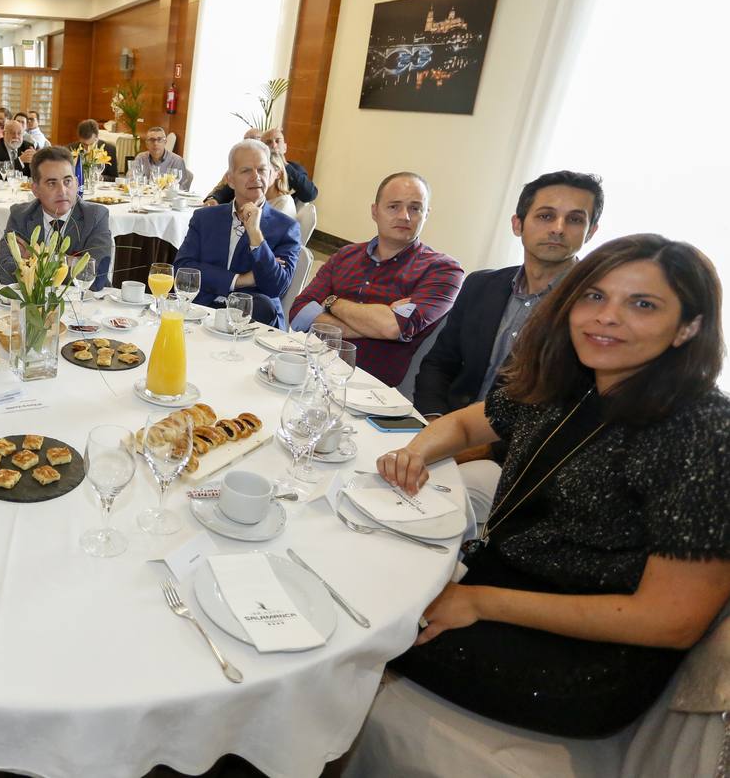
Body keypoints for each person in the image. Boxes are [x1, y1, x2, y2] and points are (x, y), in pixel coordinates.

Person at [376, 233, 730, 739]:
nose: (607, 316)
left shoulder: (704, 434)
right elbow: (465, 426)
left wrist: (480, 603)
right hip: (500, 581)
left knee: (360, 630)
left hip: (583, 657)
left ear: (688, 327)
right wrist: (415, 452)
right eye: (594, 295)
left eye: (643, 304)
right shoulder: (574, 383)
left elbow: (669, 619)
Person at [414, 171, 603, 520]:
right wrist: (434, 422)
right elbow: (439, 363)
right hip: (445, 430)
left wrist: (473, 449)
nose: (558, 228)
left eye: (575, 219)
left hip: (513, 464)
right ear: (518, 224)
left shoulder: (593, 313)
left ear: (590, 232)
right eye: (546, 216)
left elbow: (564, 415)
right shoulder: (482, 285)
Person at [289, 172, 465, 386]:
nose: (405, 216)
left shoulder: (443, 270)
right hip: (311, 370)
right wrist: (375, 324)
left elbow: (392, 327)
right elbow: (299, 313)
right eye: (394, 206)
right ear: (375, 211)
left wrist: (332, 302)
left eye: (415, 208)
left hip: (371, 389)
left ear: (426, 214)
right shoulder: (345, 255)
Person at [174, 139, 302, 328]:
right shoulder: (205, 218)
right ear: (230, 179)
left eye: (262, 169)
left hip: (255, 321)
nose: (256, 177)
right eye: (246, 170)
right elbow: (183, 270)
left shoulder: (285, 227)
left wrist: (256, 234)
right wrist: (241, 280)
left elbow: (276, 286)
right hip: (201, 311)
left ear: (272, 175)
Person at [0, 146, 114, 291]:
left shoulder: (95, 216)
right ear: (35, 189)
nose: (62, 191)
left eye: (67, 181)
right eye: (52, 183)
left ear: (76, 183)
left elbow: (96, 277)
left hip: (87, 306)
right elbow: (5, 272)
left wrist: (36, 260)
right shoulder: (20, 215)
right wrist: (70, 262)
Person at [204, 127, 317, 216]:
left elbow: (310, 194)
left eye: (278, 141)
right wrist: (214, 198)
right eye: (268, 142)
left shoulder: (294, 170)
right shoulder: (248, 171)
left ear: (285, 147)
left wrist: (283, 165)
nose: (273, 145)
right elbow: (227, 189)